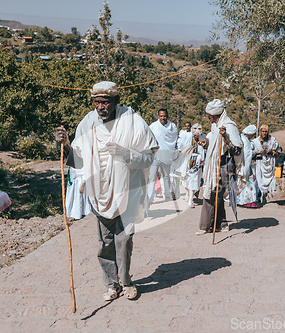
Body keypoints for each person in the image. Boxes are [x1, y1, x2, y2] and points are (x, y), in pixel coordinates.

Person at [55, 81, 158, 302]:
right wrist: (64, 146)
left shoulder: (132, 121)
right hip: (99, 193)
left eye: (106, 102)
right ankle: (111, 284)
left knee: (125, 238)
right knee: (105, 242)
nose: (101, 107)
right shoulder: (88, 123)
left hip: (127, 191)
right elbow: (77, 160)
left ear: (115, 101)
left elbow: (149, 156)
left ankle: (126, 281)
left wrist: (126, 153)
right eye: (97, 102)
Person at [196, 99, 243, 235]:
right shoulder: (215, 126)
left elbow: (237, 150)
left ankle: (205, 226)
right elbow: (215, 145)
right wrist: (206, 143)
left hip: (224, 165)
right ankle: (221, 224)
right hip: (214, 164)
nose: (208, 118)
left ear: (214, 114)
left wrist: (226, 137)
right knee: (217, 194)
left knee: (212, 194)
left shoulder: (228, 126)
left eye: (209, 115)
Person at [145, 109, 179, 216]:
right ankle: (150, 198)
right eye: (161, 116)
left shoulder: (172, 127)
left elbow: (174, 140)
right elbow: (148, 138)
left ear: (167, 116)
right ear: (158, 116)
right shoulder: (153, 126)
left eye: (164, 116)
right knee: (152, 177)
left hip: (167, 155)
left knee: (166, 176)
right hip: (156, 156)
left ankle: (167, 194)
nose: (162, 118)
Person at [252, 124, 280, 204]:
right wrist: (260, 153)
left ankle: (264, 195)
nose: (264, 133)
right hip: (258, 163)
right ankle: (257, 199)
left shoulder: (273, 141)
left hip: (269, 164)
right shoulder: (255, 142)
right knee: (258, 181)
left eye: (265, 131)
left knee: (266, 182)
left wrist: (271, 152)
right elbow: (251, 153)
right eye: (262, 131)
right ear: (260, 132)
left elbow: (278, 152)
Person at [180, 123, 205, 208]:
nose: (195, 137)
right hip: (188, 161)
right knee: (186, 180)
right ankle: (188, 194)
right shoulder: (187, 137)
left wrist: (202, 160)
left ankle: (190, 199)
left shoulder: (203, 137)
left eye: (197, 135)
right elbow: (181, 146)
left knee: (194, 181)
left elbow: (204, 150)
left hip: (197, 162)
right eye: (194, 135)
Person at [237, 125, 259, 208]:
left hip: (242, 164)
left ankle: (239, 200)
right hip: (245, 165)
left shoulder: (243, 139)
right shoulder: (245, 141)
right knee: (248, 181)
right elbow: (247, 154)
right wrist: (255, 153)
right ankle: (247, 201)